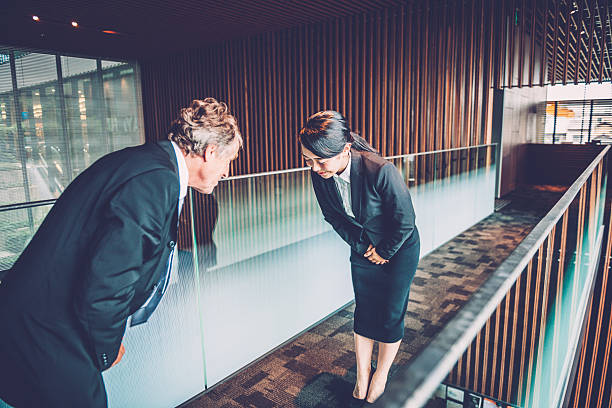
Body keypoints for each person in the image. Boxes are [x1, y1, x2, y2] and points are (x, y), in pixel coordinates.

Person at [0, 98, 242, 408]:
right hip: (45, 329)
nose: (226, 172)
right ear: (210, 153)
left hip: (38, 317)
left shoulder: (149, 164)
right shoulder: (154, 181)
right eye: (228, 160)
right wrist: (107, 347)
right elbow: (108, 282)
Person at [299, 111, 420, 403]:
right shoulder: (322, 175)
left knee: (390, 313)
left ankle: (381, 374)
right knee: (365, 310)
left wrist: (384, 252)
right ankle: (363, 374)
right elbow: (333, 217)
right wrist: (360, 246)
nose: (314, 168)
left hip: (399, 247)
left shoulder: (380, 170)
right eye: (308, 160)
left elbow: (406, 219)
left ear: (345, 150)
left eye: (320, 160)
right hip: (363, 247)